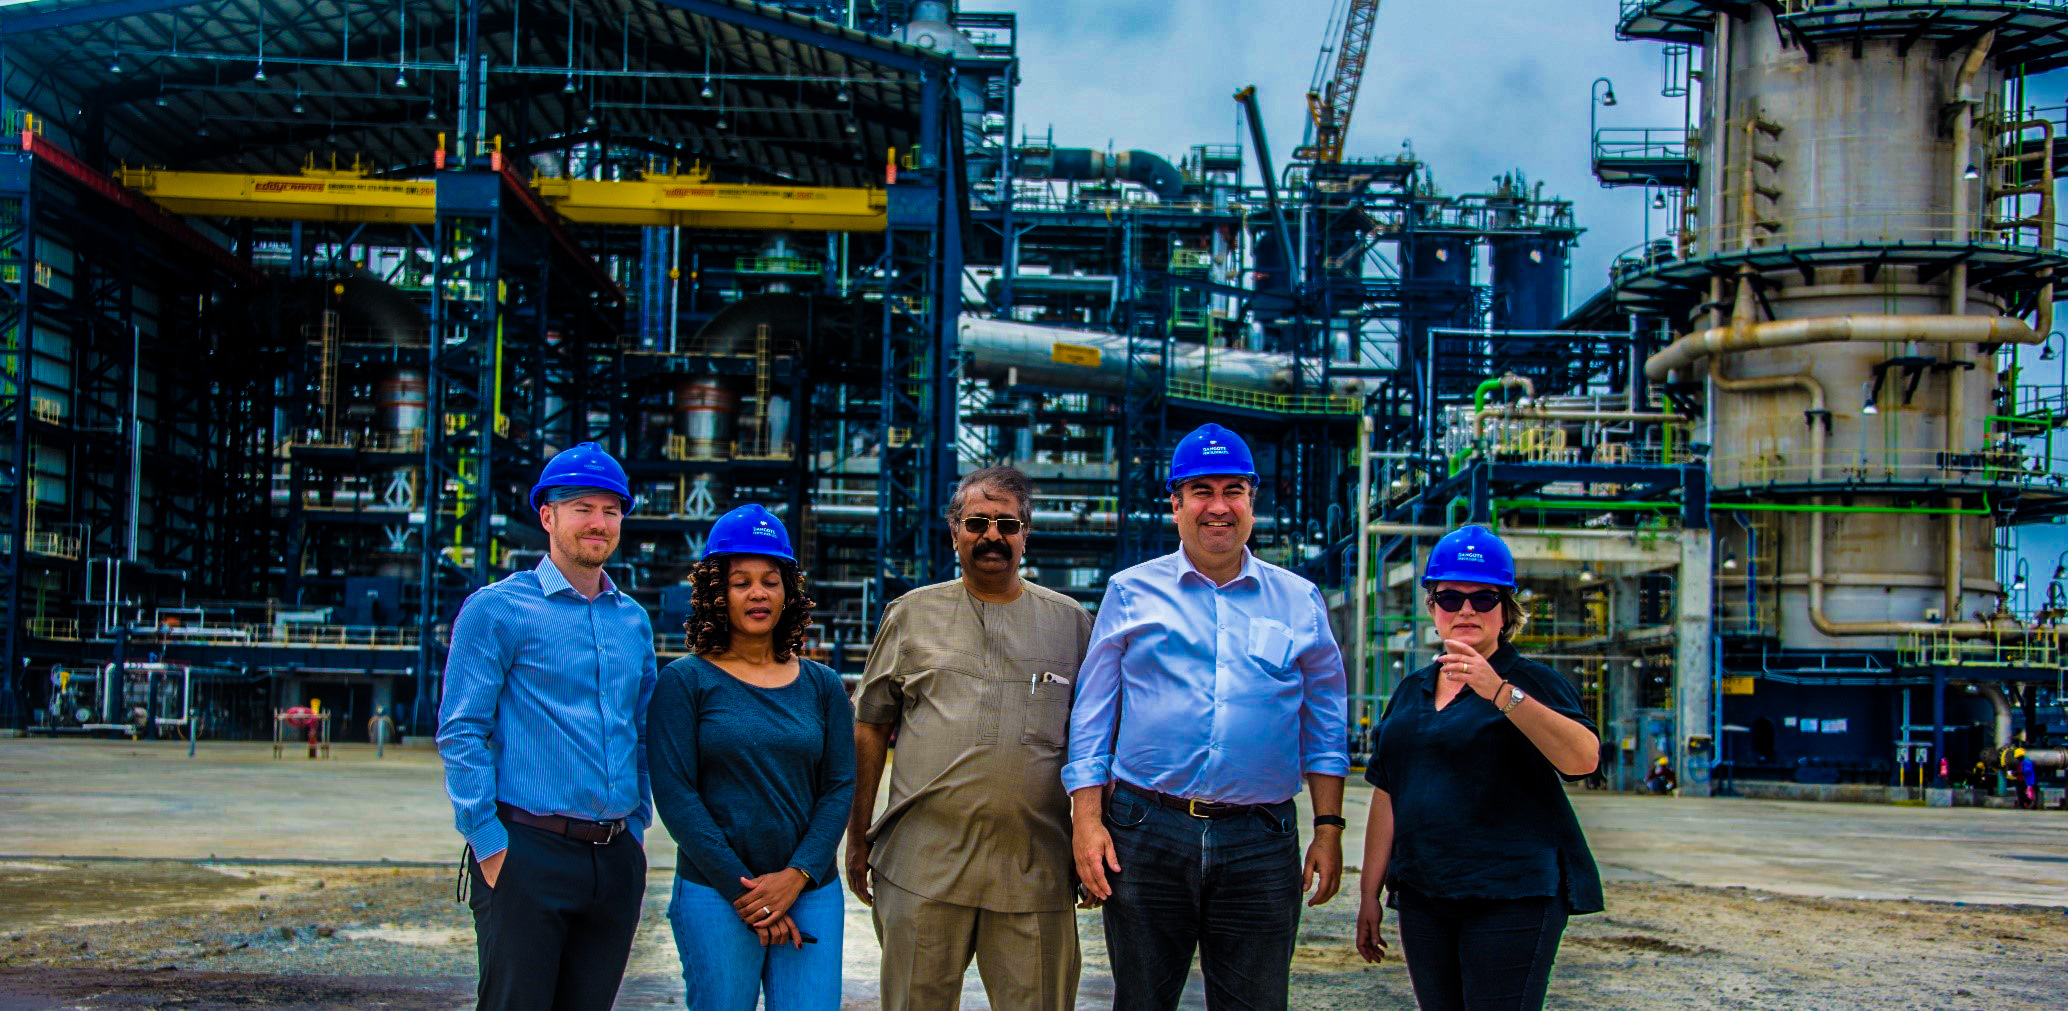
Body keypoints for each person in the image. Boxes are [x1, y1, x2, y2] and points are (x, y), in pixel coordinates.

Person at [1065, 423, 1350, 1011]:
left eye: (1233, 490)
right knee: (1142, 1000)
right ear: (1175, 504)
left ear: (1252, 500)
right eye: (1201, 491)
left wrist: (1328, 826)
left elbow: (1325, 719)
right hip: (1146, 831)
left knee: (1256, 1003)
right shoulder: (1129, 593)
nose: (1217, 507)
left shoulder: (1299, 600)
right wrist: (1086, 821)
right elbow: (1093, 714)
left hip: (1260, 838)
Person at [848, 466, 1093, 1011]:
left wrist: (1091, 839)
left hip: (1035, 872)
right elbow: (869, 725)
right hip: (923, 868)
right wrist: (859, 834)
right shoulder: (910, 617)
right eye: (977, 522)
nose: (992, 536)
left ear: (1026, 533)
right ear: (954, 531)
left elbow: (1096, 743)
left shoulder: (1071, 625)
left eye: (1007, 524)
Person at [437, 442, 655, 1010]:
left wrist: (636, 826)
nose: (598, 523)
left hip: (614, 859)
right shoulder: (497, 609)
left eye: (611, 511)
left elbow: (642, 730)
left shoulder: (632, 620)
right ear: (547, 516)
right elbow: (462, 730)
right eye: (582, 507)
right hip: (526, 851)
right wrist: (488, 845)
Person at [1352, 524, 1603, 1011]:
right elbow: (1388, 791)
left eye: (1483, 599)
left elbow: (1583, 759)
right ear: (1432, 607)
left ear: (1506, 610)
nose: (1466, 610)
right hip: (1426, 894)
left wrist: (1499, 692)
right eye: (1450, 597)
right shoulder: (1413, 690)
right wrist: (1369, 893)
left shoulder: (1531, 681)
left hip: (1510, 896)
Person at [649, 504, 854, 1011]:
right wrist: (751, 894)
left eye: (770, 580)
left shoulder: (823, 686)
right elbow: (677, 796)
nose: (758, 593)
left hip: (810, 894)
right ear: (716, 592)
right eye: (741, 582)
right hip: (715, 893)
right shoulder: (685, 682)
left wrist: (796, 877)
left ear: (789, 592)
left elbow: (839, 788)